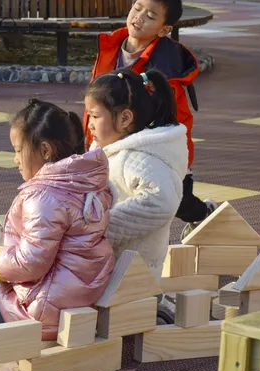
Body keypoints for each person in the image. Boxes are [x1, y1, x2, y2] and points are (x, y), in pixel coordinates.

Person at [0, 99, 114, 341]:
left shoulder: (44, 196)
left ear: (45, 151)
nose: (15, 159)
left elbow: (31, 264)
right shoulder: (86, 181)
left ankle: (10, 348)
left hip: (47, 310)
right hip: (79, 288)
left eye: (19, 150)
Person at [83, 0, 214, 239]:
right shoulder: (112, 45)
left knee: (179, 201)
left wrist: (177, 157)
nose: (140, 16)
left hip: (153, 147)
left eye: (151, 16)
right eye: (138, 7)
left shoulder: (165, 64)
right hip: (112, 139)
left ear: (164, 30)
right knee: (111, 191)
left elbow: (170, 115)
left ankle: (206, 215)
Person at [85, 68, 188, 324]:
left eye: (95, 116)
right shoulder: (113, 152)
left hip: (130, 274)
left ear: (125, 118)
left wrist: (104, 226)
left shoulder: (135, 158)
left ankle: (154, 313)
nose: (89, 124)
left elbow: (161, 200)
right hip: (114, 268)